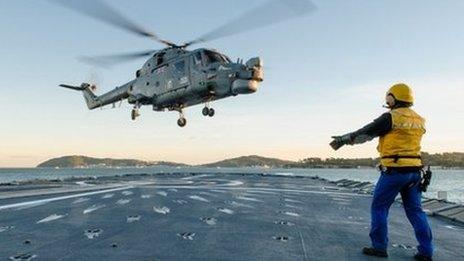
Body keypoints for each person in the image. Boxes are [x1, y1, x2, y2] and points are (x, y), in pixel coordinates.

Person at [329, 83, 433, 260]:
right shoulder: (420, 119)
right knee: (416, 211)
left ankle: (379, 247)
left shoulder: (391, 117)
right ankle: (426, 251)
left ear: (392, 97)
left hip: (394, 171)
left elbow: (366, 132)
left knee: (379, 207)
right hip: (415, 172)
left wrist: (343, 140)